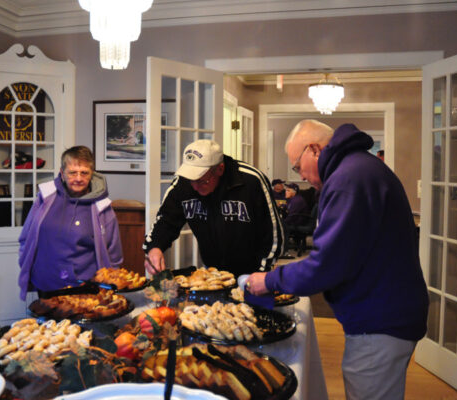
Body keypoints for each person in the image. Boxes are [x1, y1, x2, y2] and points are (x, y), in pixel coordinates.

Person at [246, 120, 428, 400]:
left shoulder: (348, 179)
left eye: (297, 166)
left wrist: (270, 280)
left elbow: (326, 264)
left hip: (379, 319)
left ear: (314, 149)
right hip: (387, 311)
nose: (301, 176)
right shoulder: (357, 168)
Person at [143, 139, 285, 276]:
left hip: (252, 271)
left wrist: (262, 271)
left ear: (220, 169)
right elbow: (166, 221)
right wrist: (155, 247)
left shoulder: (251, 181)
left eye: (202, 180)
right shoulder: (183, 183)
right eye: (192, 180)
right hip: (212, 272)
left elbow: (273, 234)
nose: (195, 186)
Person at [17, 146, 123, 300]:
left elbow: (114, 254)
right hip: (46, 284)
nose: (78, 178)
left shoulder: (102, 206)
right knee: (49, 324)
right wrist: (26, 266)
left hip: (84, 287)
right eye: (72, 172)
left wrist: (108, 286)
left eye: (84, 173)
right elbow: (26, 237)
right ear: (62, 173)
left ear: (92, 174)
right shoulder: (45, 197)